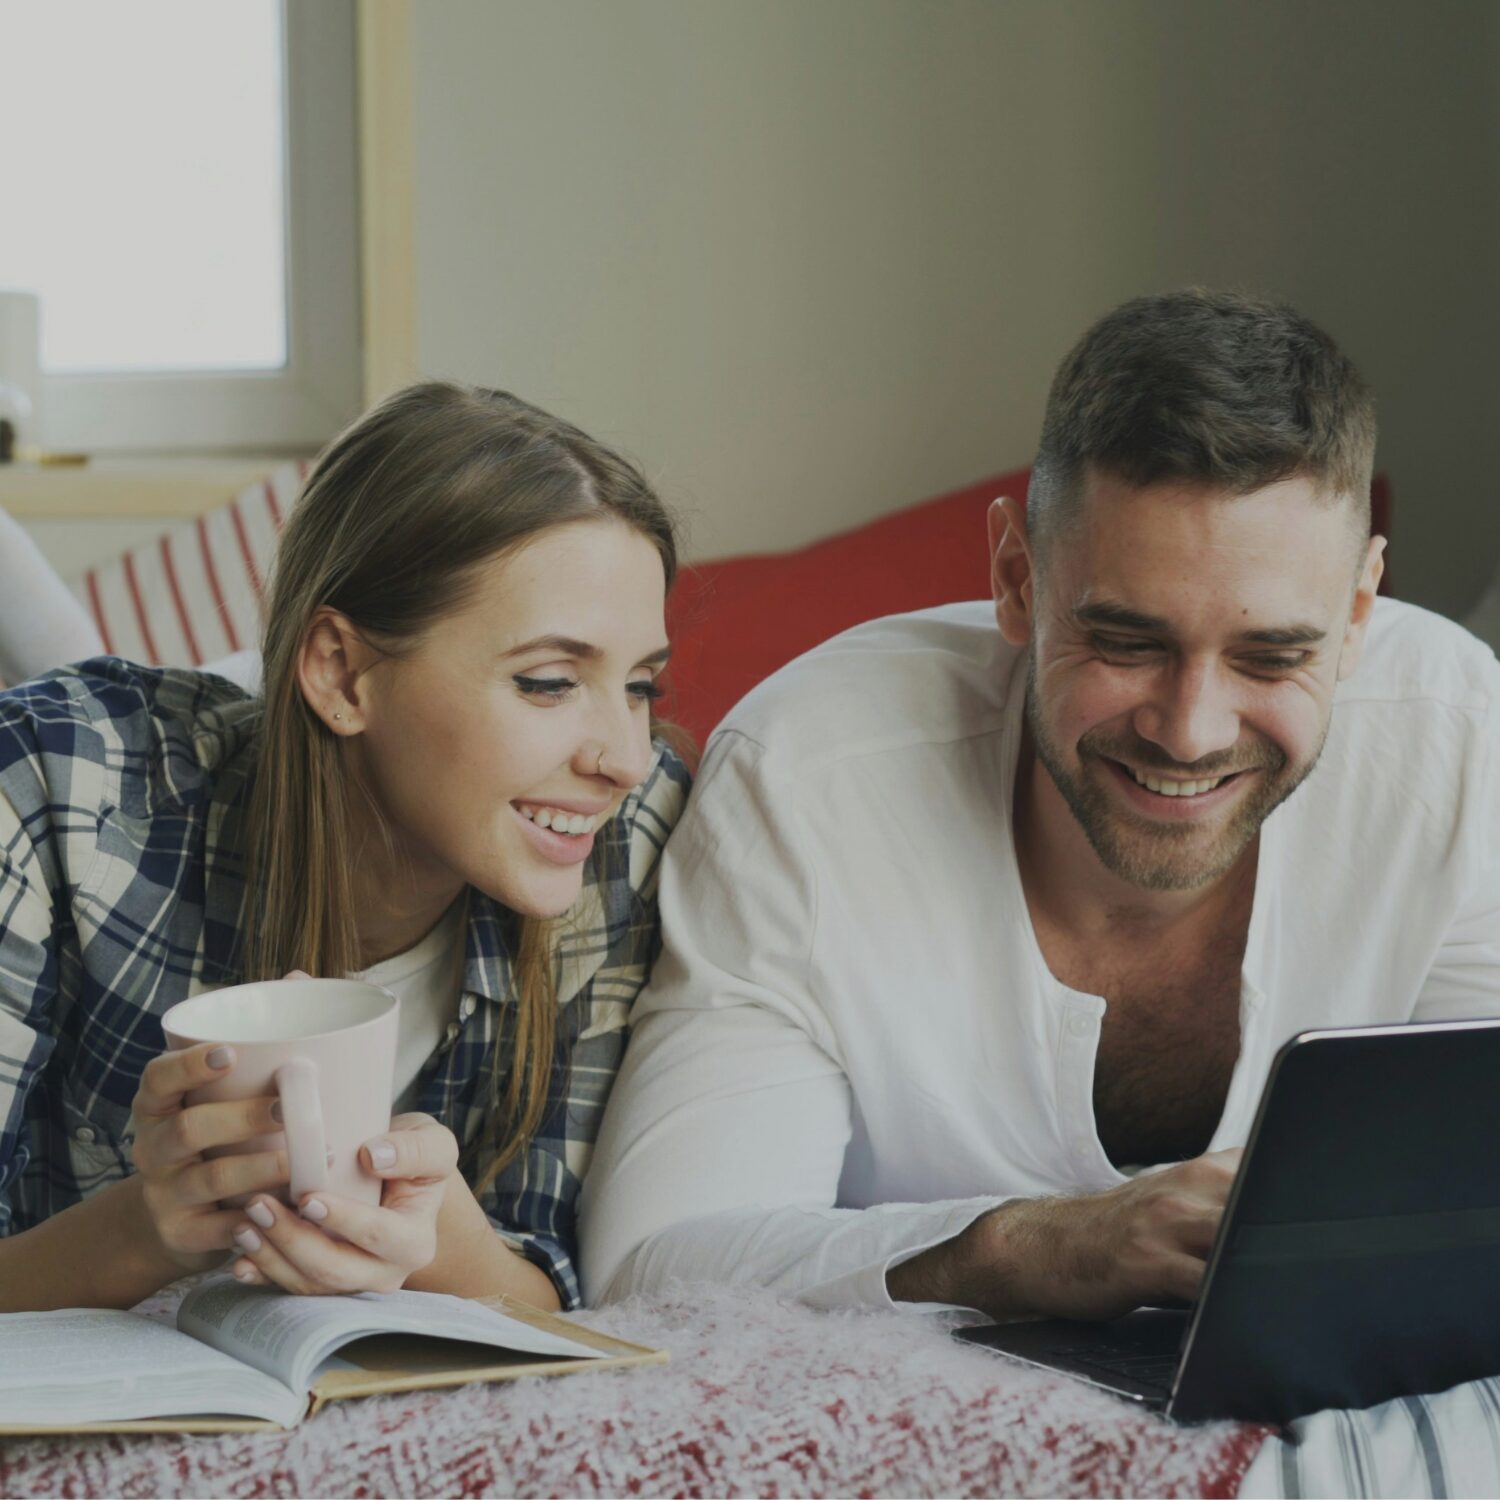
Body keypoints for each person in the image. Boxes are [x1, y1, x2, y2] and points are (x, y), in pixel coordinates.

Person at [579, 288, 1500, 1319]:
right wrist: (1024, 1248)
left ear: (1362, 607)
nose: (1190, 731)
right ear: (1016, 577)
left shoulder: (1457, 743)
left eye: (1272, 655)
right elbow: (655, 1265)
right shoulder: (809, 774)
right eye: (1126, 642)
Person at [0, 383, 690, 1313]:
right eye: (549, 682)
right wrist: (144, 1229)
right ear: (341, 671)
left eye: (641, 685)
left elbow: (566, 1298)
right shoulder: (59, 788)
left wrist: (445, 1246)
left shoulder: (627, 848)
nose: (625, 758)